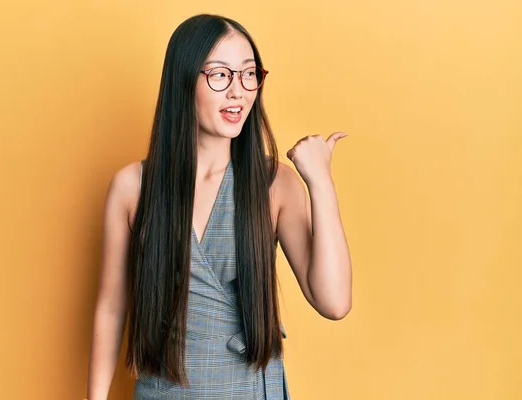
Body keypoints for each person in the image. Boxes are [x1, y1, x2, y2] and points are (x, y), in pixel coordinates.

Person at [85, 13, 352, 400]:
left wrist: (321, 182)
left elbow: (334, 301)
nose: (238, 92)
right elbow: (111, 308)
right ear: (183, 80)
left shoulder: (274, 184)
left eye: (248, 74)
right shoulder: (133, 187)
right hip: (162, 391)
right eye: (220, 75)